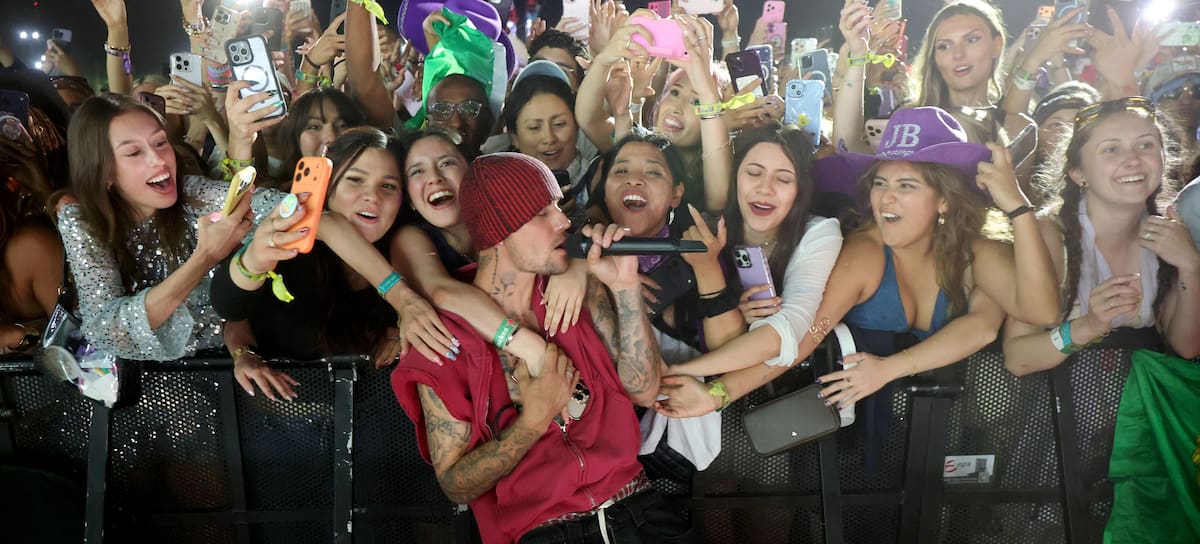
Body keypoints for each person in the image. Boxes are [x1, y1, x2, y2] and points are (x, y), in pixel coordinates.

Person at [658, 107, 1059, 420]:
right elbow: (801, 340)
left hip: (940, 430)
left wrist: (1018, 209)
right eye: (881, 182)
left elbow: (1034, 313)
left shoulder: (976, 252)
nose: (886, 199)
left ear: (945, 199)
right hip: (852, 424)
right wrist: (717, 393)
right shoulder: (865, 251)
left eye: (906, 186)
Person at [391, 153, 692, 543]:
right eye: (541, 213)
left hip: (639, 510)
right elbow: (454, 483)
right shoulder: (440, 340)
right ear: (501, 231)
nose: (563, 221)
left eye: (557, 207)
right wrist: (532, 422)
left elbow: (644, 389)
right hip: (545, 533)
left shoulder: (578, 292)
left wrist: (626, 290)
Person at [210, 128, 453, 399]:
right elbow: (231, 310)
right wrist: (245, 354)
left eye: (388, 186)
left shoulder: (407, 248)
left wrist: (401, 334)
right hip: (280, 420)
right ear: (328, 187)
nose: (372, 196)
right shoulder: (288, 241)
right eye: (355, 180)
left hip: (370, 423)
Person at [55, 93, 281, 360]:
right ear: (103, 172)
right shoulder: (82, 219)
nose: (158, 160)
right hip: (140, 384)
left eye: (160, 142)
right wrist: (204, 258)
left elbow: (276, 208)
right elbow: (107, 329)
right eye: (134, 152)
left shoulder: (191, 192)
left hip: (222, 363)